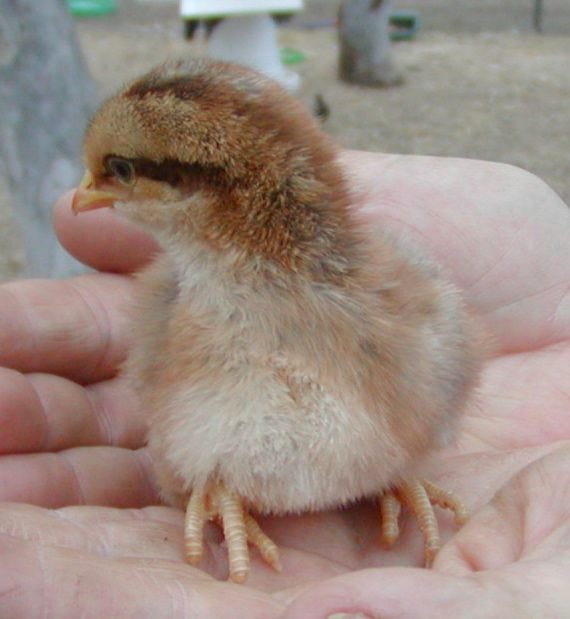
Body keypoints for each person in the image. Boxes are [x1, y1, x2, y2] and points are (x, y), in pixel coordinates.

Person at [0, 151, 568, 617]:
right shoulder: (184, 299)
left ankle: (387, 476)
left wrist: (401, 463)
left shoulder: (379, 277)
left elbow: (443, 350)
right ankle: (220, 489)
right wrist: (204, 478)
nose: (91, 189)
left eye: (118, 171)